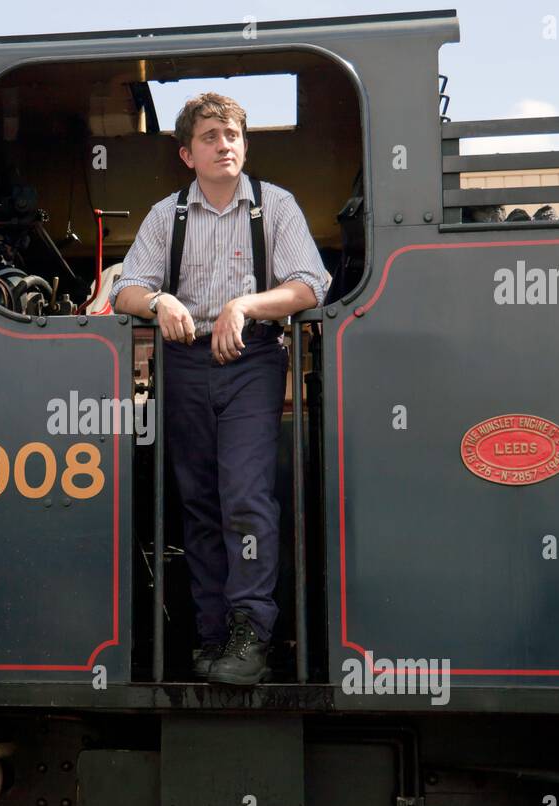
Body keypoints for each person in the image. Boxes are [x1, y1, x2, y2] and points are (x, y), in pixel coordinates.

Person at [110, 93, 329, 685]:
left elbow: (311, 284)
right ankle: (210, 639)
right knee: (199, 505)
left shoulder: (274, 207)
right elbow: (125, 289)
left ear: (244, 145)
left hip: (253, 359)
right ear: (187, 153)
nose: (223, 145)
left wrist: (244, 305)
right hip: (181, 365)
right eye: (210, 137)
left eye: (232, 135)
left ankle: (251, 635)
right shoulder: (166, 215)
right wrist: (160, 301)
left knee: (245, 496)